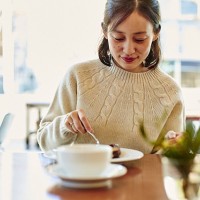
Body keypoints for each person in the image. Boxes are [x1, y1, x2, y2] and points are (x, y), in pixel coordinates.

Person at [37, 0, 185, 153]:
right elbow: (45, 144)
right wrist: (64, 126)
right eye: (118, 38)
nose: (128, 50)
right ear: (105, 31)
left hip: (142, 177)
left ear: (156, 33)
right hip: (83, 176)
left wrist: (174, 149)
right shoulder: (78, 76)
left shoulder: (170, 91)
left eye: (139, 39)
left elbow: (168, 162)